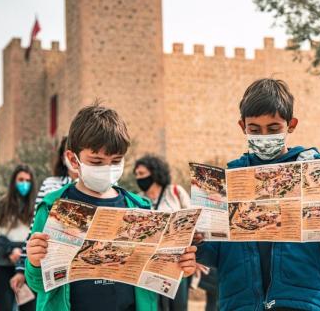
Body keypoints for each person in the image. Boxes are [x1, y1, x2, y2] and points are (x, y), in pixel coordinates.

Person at [196, 78, 320, 310]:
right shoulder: (228, 178)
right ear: (242, 127)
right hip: (241, 303)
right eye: (255, 129)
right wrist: (197, 242)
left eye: (274, 128)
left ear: (291, 124)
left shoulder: (315, 170)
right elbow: (215, 254)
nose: (265, 136)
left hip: (300, 303)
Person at [24, 103, 197, 311]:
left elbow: (155, 281)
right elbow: (38, 284)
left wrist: (179, 267)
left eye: (116, 161)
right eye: (96, 161)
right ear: (73, 159)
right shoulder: (53, 206)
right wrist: (34, 262)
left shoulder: (139, 207)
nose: (107, 168)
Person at [11, 137, 78, 293]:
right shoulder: (50, 184)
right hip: (53, 258)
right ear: (65, 157)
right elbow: (36, 227)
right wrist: (22, 267)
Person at [134, 154, 192, 311]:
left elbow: (192, 219)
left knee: (178, 305)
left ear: (154, 173)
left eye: (142, 174)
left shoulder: (174, 192)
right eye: (136, 175)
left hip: (176, 261)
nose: (138, 178)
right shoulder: (138, 200)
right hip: (150, 264)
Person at [0, 165, 37, 311]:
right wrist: (11, 251)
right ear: (14, 181)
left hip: (27, 268)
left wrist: (23, 254)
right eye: (21, 179)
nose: (24, 184)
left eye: (28, 180)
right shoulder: (3, 205)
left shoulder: (36, 205)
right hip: (4, 265)